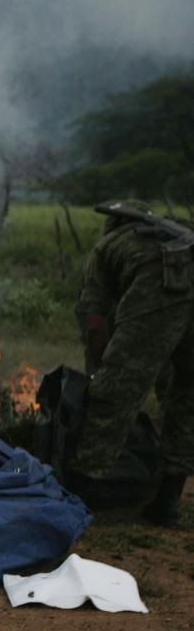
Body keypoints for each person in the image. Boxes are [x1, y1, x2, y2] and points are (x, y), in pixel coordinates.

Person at [69, 199, 193, 527]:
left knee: (116, 390)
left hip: (163, 283)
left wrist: (97, 373)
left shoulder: (108, 245)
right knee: (189, 393)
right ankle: (167, 501)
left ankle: (76, 496)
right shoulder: (173, 232)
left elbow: (95, 324)